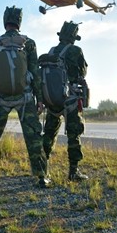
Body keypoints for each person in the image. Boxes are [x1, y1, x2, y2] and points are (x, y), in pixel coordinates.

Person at [0, 6, 50, 188]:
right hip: (24, 97)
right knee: (33, 137)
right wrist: (40, 98)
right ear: (19, 21)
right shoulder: (29, 43)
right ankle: (42, 176)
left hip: (0, 97)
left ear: (5, 21)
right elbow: (35, 72)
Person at [41, 21, 89, 181]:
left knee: (48, 134)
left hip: (52, 100)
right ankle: (73, 171)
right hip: (70, 100)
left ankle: (43, 169)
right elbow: (83, 72)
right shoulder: (75, 50)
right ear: (74, 37)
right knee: (74, 134)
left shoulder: (52, 51)